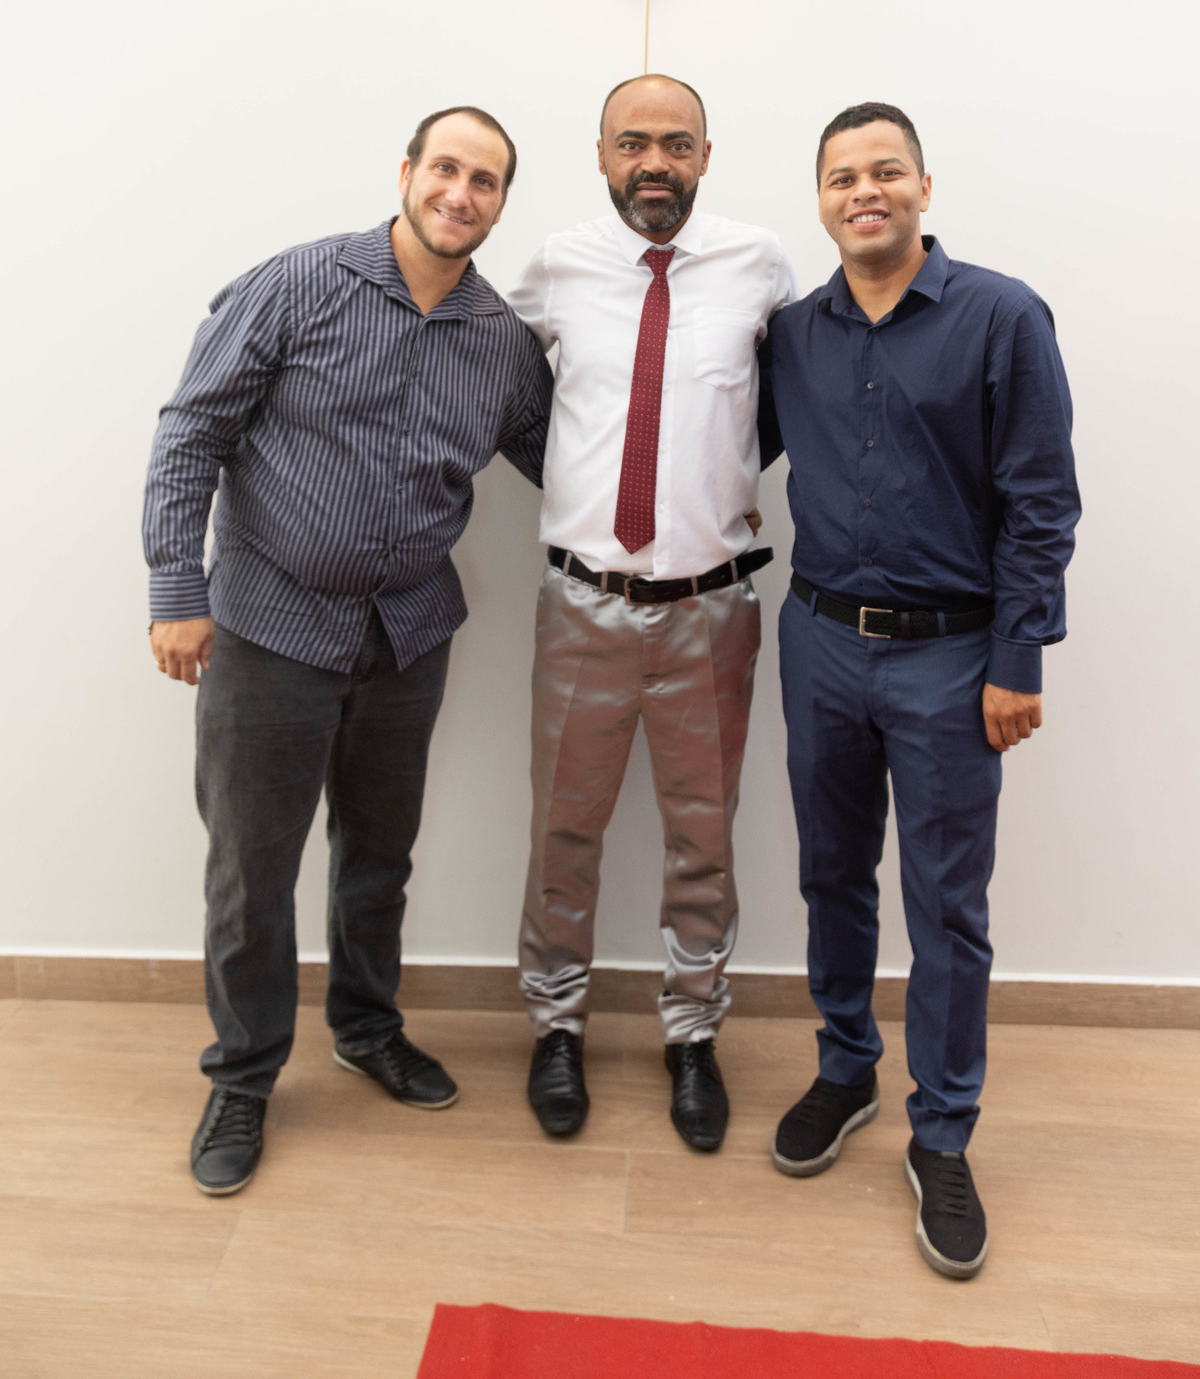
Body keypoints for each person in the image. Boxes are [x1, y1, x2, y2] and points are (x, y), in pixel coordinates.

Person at [143, 106, 552, 1197]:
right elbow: (192, 430)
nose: (461, 193)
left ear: (501, 203)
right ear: (407, 171)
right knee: (252, 869)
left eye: (486, 181)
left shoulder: (503, 343)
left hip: (407, 637)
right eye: (446, 168)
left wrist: (706, 481)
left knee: (379, 855)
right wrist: (176, 588)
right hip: (267, 627)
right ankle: (243, 1077)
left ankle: (367, 1028)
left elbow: (573, 460)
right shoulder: (298, 283)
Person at [761, 101, 1080, 1277]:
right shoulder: (791, 334)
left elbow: (1043, 502)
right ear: (821, 201)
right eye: (842, 176)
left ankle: (941, 1132)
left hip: (953, 657)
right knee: (831, 872)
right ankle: (846, 1066)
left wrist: (1017, 658)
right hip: (819, 641)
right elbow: (723, 450)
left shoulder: (1002, 317)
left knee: (947, 906)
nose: (865, 191)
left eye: (885, 170)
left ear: (925, 188)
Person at [508, 73, 796, 1152]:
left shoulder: (759, 264)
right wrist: (568, 481)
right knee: (562, 831)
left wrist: (722, 478)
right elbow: (497, 382)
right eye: (633, 143)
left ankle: (692, 1033)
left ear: (706, 156)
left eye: (677, 144)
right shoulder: (557, 265)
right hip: (581, 603)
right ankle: (556, 1026)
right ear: (601, 155)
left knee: (702, 838)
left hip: (711, 612)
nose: (655, 163)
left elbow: (790, 396)